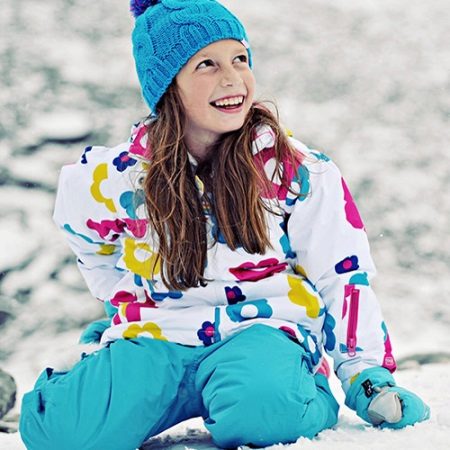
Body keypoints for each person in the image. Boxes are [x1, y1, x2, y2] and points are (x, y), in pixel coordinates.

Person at [19, 1, 430, 449]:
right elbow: (85, 237)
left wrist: (366, 374)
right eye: (207, 65)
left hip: (262, 335)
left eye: (239, 59)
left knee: (265, 411)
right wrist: (117, 299)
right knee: (59, 432)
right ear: (168, 85)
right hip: (156, 339)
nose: (233, 78)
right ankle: (101, 366)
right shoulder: (118, 178)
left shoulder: (294, 171)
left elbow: (342, 272)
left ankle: (301, 387)